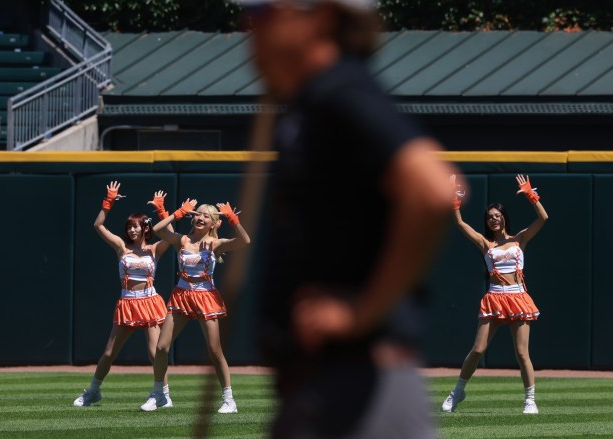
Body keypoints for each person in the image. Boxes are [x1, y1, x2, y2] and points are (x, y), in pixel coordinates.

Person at [238, 0, 458, 437]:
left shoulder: (340, 91)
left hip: (357, 392)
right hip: (323, 389)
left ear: (319, 17)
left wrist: (362, 310)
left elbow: (433, 189)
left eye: (263, 11)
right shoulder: (308, 102)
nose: (250, 24)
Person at [441, 174, 548, 415]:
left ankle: (530, 400)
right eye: (490, 218)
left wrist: (531, 195)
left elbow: (543, 218)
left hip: (518, 297)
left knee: (522, 353)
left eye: (497, 216)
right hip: (495, 298)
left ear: (504, 218)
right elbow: (459, 223)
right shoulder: (485, 244)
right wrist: (454, 201)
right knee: (478, 349)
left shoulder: (520, 239)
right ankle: (457, 391)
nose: (494, 220)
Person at [139, 197, 251, 413]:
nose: (200, 217)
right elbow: (158, 228)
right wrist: (179, 212)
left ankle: (229, 399)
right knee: (161, 347)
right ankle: (160, 394)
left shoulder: (214, 244)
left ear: (213, 223)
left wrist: (232, 218)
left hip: (206, 296)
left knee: (214, 350)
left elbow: (245, 241)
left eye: (206, 216)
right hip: (182, 294)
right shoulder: (182, 240)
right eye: (198, 214)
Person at [73, 182, 174, 408]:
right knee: (109, 353)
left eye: (136, 226)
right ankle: (93, 391)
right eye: (129, 227)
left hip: (149, 301)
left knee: (154, 350)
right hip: (128, 302)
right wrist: (108, 202)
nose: (131, 230)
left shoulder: (155, 249)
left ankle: (163, 395)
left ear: (145, 228)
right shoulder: (121, 247)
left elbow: (170, 235)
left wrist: (161, 210)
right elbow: (98, 225)